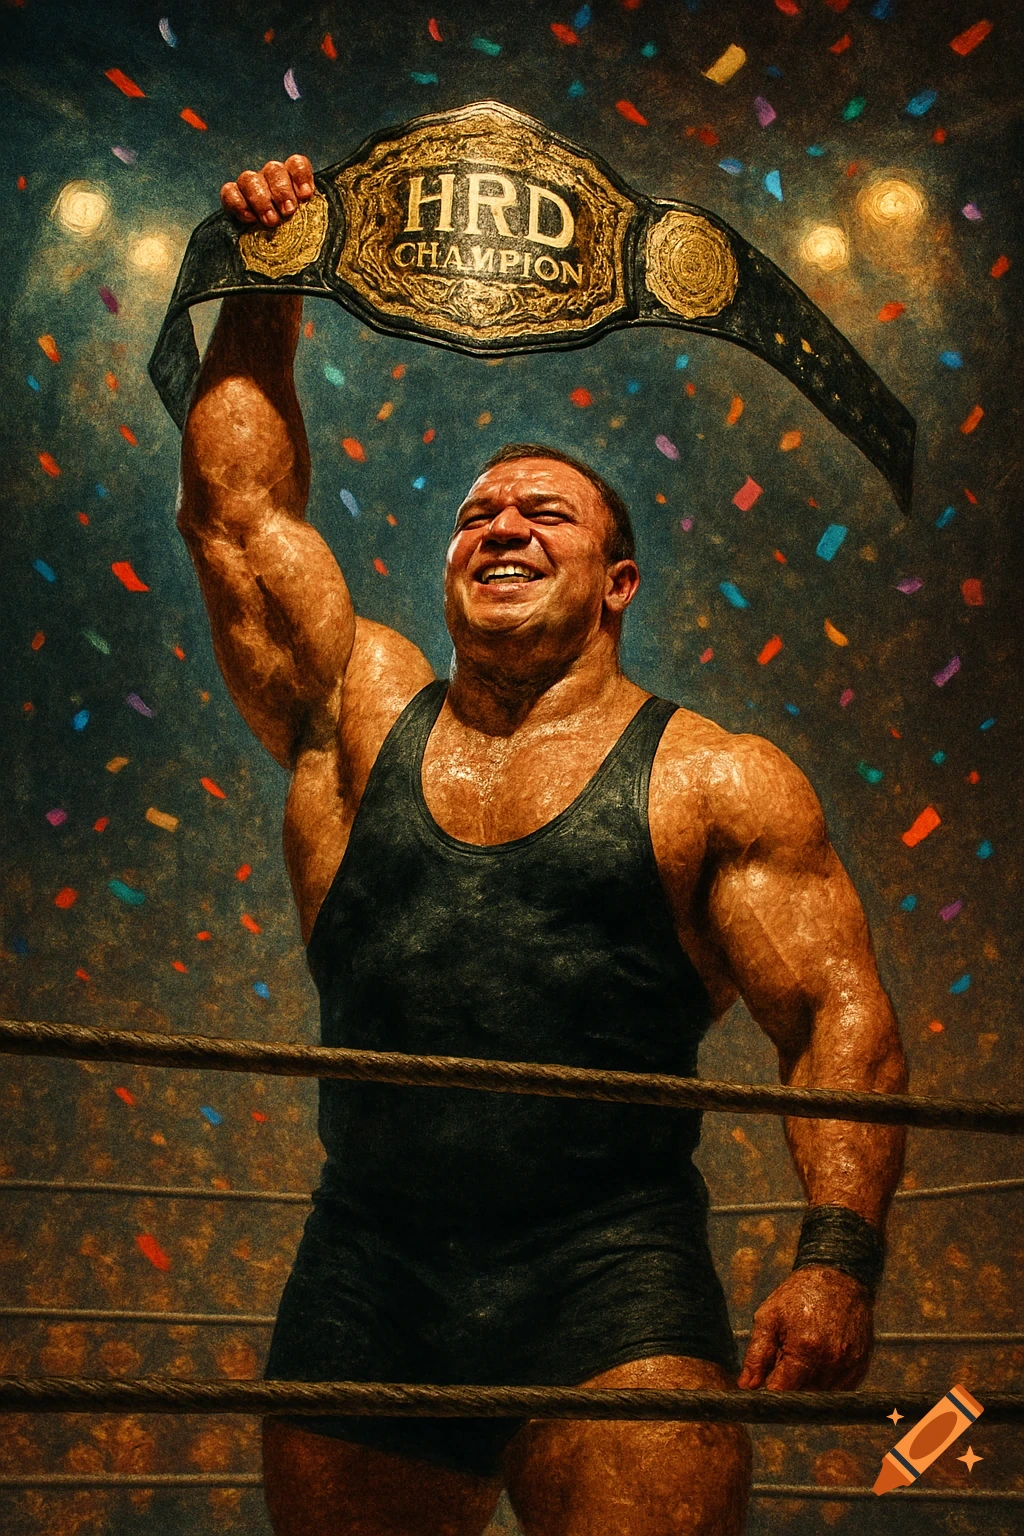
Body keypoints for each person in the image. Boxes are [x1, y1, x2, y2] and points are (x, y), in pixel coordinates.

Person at [178, 154, 908, 1536]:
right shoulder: (355, 717)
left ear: (618, 582)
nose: (501, 525)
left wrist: (836, 1261)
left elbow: (835, 1019)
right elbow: (239, 517)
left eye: (544, 512)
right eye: (476, 515)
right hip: (370, 1270)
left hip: (611, 1278)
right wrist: (267, 277)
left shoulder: (715, 778)